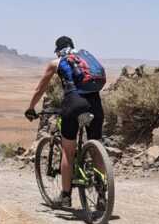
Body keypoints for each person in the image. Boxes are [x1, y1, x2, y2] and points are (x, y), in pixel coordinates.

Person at [25, 36, 106, 208]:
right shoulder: (85, 56)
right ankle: (102, 195)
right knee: (96, 148)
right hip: (95, 104)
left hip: (74, 103)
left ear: (58, 50)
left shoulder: (56, 62)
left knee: (68, 151)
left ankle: (66, 196)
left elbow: (40, 89)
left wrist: (31, 107)